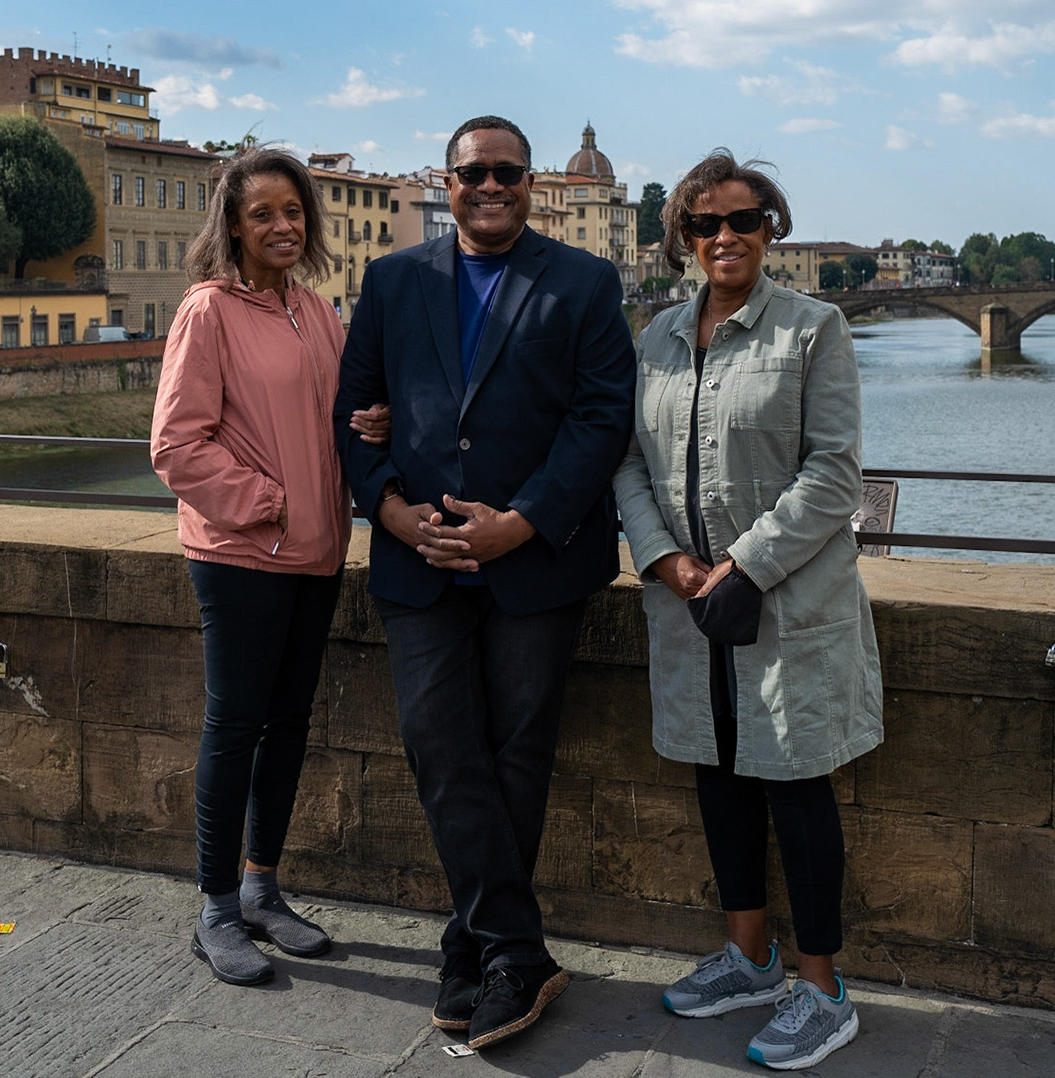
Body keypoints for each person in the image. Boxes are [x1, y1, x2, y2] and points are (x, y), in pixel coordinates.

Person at [333, 115, 635, 1050]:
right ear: (449, 181)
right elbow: (352, 410)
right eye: (473, 173)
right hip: (417, 555)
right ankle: (517, 949)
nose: (490, 186)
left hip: (534, 560)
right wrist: (386, 510)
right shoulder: (391, 280)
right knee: (437, 743)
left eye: (507, 172)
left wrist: (520, 522)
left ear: (532, 184)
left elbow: (602, 419)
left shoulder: (584, 281)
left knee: (518, 754)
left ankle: (476, 947)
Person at [611, 151, 884, 1070]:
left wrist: (743, 565)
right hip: (687, 603)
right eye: (705, 224)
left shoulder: (815, 328)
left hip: (787, 604)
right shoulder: (655, 338)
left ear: (773, 228)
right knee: (716, 769)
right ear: (681, 237)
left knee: (796, 780)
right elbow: (630, 465)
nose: (724, 237)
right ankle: (750, 955)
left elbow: (834, 473)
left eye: (744, 219)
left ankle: (822, 988)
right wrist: (666, 559)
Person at [151, 146, 386, 986]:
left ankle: (262, 889)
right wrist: (269, 503)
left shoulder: (314, 312)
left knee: (288, 726)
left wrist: (373, 428)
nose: (283, 226)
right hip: (244, 555)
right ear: (235, 226)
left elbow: (330, 420)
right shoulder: (206, 312)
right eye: (264, 215)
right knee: (235, 725)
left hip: (316, 554)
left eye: (294, 212)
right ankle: (215, 908)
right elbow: (176, 446)